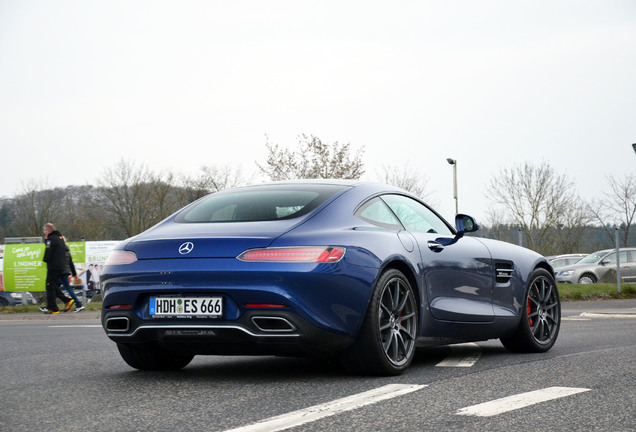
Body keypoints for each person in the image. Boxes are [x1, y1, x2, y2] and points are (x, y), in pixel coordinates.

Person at [40, 223, 74, 314]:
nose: (44, 232)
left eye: (44, 230)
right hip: (60, 266)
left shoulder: (51, 239)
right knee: (53, 285)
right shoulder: (60, 238)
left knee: (49, 286)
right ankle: (66, 300)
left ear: (48, 230)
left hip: (53, 266)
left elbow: (48, 254)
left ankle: (54, 308)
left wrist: (46, 241)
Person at [58, 238, 85, 312]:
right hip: (65, 272)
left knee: (65, 288)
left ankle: (77, 303)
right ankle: (68, 302)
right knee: (55, 288)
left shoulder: (60, 251)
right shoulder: (67, 250)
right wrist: (74, 274)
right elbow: (71, 263)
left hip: (61, 272)